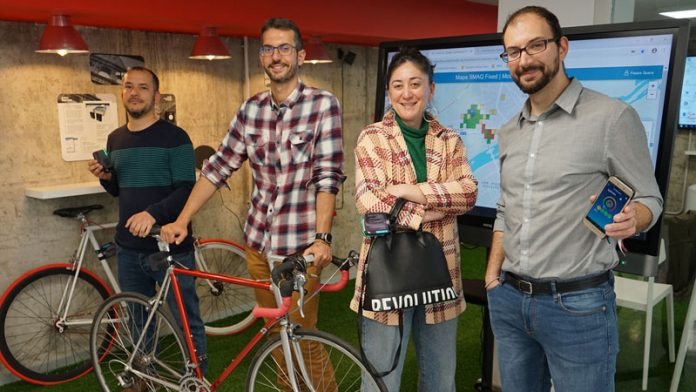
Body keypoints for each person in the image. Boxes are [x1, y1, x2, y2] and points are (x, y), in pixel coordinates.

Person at [485, 6, 663, 392]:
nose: (524, 60)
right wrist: (492, 275)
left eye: (536, 45)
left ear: (561, 47)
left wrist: (637, 217)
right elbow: (506, 208)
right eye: (513, 52)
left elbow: (650, 197)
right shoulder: (508, 132)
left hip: (578, 306)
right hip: (511, 301)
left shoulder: (612, 118)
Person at [160, 17, 345, 387]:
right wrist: (182, 220)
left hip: (300, 251)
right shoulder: (251, 110)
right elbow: (217, 169)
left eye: (284, 48)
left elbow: (327, 177)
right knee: (277, 335)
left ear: (300, 55)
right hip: (259, 246)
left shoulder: (323, 105)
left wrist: (323, 238)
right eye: (269, 48)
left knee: (303, 339)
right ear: (262, 57)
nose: (276, 56)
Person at [351, 47, 478, 392]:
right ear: (389, 91)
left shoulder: (449, 139)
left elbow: (468, 194)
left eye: (415, 84)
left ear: (431, 89)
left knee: (440, 381)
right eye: (397, 85)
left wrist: (409, 190)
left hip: (441, 272)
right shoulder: (372, 137)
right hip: (386, 276)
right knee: (380, 382)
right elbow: (369, 203)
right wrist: (434, 208)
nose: (407, 93)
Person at [87, 66, 208, 380]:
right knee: (139, 321)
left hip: (172, 248)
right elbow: (119, 190)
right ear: (122, 92)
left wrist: (153, 213)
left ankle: (197, 381)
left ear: (156, 95)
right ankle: (144, 379)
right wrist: (106, 178)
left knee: (186, 321)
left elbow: (186, 190)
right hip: (128, 249)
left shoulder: (175, 137)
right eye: (129, 87)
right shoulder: (115, 138)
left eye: (143, 87)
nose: (134, 93)